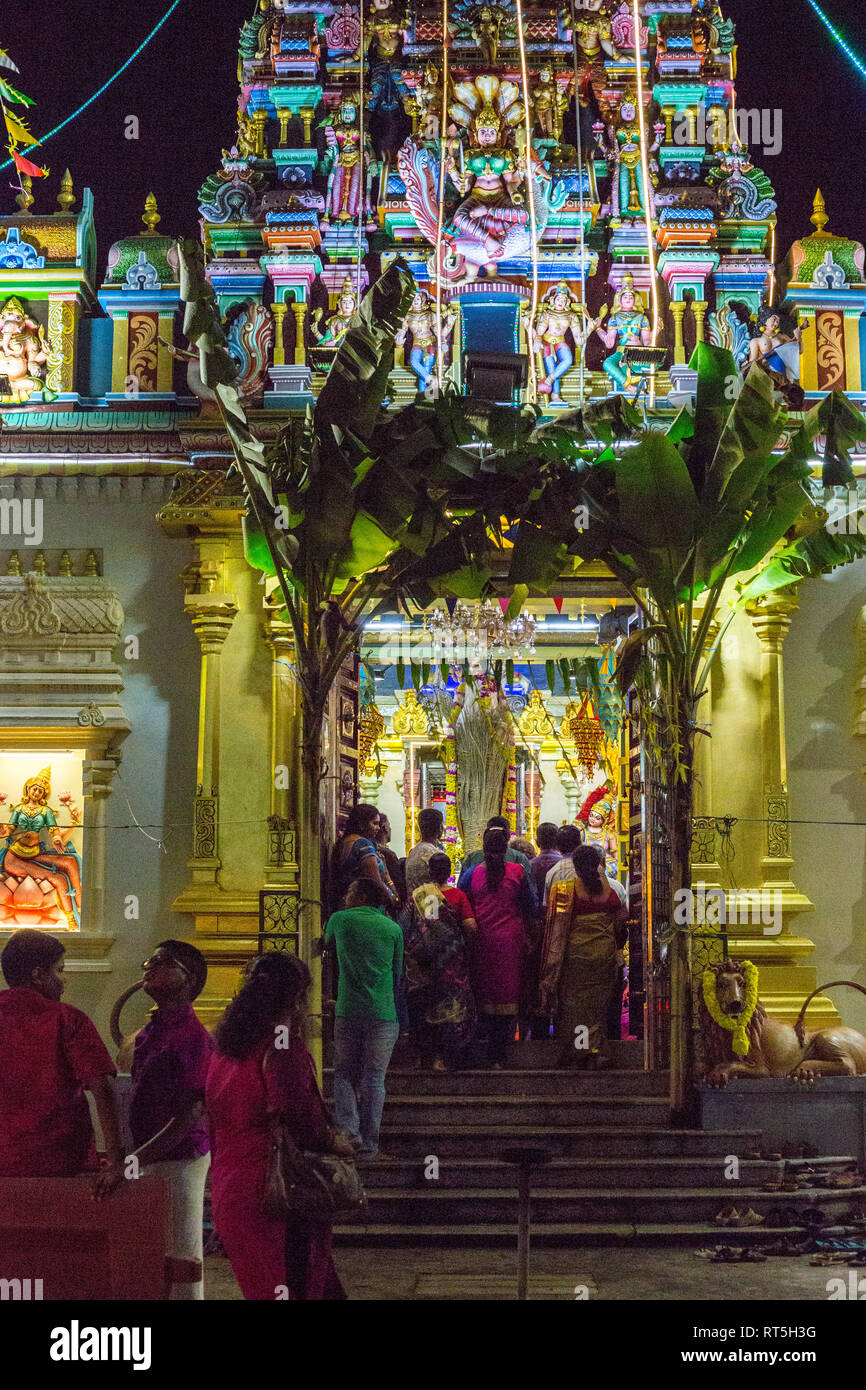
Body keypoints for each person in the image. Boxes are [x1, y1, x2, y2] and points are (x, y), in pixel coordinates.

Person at [207, 952, 349, 1301]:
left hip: (232, 1186)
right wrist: (335, 1142)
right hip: (277, 1191)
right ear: (297, 998)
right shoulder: (282, 1047)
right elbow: (300, 1116)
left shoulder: (225, 1049)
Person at [0, 929, 123, 1195]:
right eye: (60, 970)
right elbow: (101, 1086)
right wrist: (115, 1160)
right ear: (38, 975)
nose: (64, 980)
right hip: (58, 1161)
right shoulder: (67, 1018)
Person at [127, 940, 213, 1299]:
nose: (150, 966)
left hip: (180, 1157)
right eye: (151, 960)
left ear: (189, 979)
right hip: (150, 1154)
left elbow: (188, 1115)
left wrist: (135, 1160)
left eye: (163, 962)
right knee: (154, 1253)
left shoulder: (193, 1037)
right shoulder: (151, 1031)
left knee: (183, 1254)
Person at [324, 877, 404, 1158]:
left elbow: (324, 944)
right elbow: (397, 974)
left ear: (361, 895)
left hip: (348, 1010)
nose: (346, 896)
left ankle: (349, 1131)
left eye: (350, 891)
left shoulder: (339, 920)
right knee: (374, 1078)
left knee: (344, 1072)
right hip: (384, 1013)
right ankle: (370, 1144)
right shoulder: (393, 928)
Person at [539, 845, 628, 1069]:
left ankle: (580, 1052)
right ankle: (597, 1052)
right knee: (596, 1009)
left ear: (576, 867)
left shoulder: (564, 890)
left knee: (575, 1008)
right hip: (603, 957)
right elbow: (621, 921)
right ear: (598, 864)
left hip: (575, 957)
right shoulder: (612, 892)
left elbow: (554, 927)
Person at [458, 827, 536, 1069]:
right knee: (507, 996)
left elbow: (461, 904)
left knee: (483, 993)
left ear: (483, 848)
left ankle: (483, 1051)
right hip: (510, 942)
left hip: (481, 941)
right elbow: (530, 906)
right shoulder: (518, 872)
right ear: (506, 849)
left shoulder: (472, 874)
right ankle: (498, 1056)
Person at [403, 852, 477, 1071]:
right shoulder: (457, 896)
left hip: (422, 963)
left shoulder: (419, 895)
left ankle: (420, 1057)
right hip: (451, 964)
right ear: (449, 872)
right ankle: (441, 1059)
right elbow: (471, 926)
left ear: (429, 872)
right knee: (448, 1009)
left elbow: (405, 926)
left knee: (422, 1006)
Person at [333, 803, 399, 911]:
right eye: (375, 823)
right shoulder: (363, 844)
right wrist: (393, 898)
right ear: (362, 824)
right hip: (365, 907)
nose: (378, 828)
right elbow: (376, 882)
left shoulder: (345, 842)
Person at [461, 815, 532, 875]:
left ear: (486, 835)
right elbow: (529, 889)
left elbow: (462, 887)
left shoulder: (473, 858)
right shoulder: (519, 858)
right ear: (508, 836)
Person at [404, 806, 445, 897]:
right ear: (440, 828)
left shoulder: (413, 851)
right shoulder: (434, 854)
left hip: (414, 906)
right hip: (431, 906)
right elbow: (442, 887)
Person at [543, 824, 583, 905]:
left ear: (557, 846)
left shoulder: (552, 872)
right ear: (580, 843)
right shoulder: (590, 867)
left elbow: (547, 905)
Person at [375, 814, 406, 908]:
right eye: (389, 826)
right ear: (385, 828)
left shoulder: (374, 850)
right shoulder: (387, 854)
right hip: (390, 902)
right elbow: (399, 884)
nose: (391, 829)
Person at [530, 821, 561, 902]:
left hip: (537, 911)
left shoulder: (531, 864)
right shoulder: (563, 863)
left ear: (537, 842)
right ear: (558, 841)